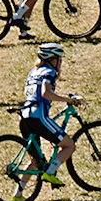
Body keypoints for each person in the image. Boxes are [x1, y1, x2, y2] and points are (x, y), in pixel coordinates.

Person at [20, 42, 82, 186]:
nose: (60, 62)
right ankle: (50, 173)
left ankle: (17, 194)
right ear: (52, 59)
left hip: (24, 116)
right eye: (59, 59)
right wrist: (68, 100)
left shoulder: (33, 72)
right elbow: (45, 93)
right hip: (38, 116)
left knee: (35, 161)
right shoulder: (49, 72)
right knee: (69, 145)